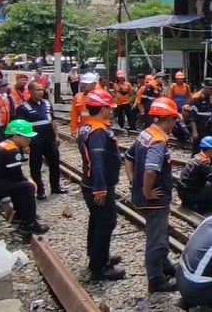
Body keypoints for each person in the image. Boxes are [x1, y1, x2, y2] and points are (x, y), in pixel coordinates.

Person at [124, 96, 180, 293]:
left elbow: (128, 158)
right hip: (154, 201)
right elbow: (150, 170)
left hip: (145, 198)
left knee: (161, 234)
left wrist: (133, 182)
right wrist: (147, 191)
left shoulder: (145, 134)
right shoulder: (157, 141)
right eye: (174, 119)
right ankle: (156, 281)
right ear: (168, 118)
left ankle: (165, 266)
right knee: (156, 240)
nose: (175, 123)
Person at [77, 89, 126, 281]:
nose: (112, 111)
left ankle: (97, 255)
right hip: (98, 184)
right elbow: (97, 159)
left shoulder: (87, 126)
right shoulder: (97, 130)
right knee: (107, 222)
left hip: (92, 182)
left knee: (97, 220)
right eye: (110, 108)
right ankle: (99, 267)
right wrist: (100, 187)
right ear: (103, 108)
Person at [0, 119, 49, 234]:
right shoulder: (11, 150)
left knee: (19, 186)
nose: (29, 140)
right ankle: (30, 224)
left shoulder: (4, 145)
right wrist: (29, 181)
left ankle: (20, 215)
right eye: (26, 137)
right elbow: (16, 176)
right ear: (15, 136)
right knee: (27, 187)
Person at [14, 81, 66, 200]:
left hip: (49, 139)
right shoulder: (23, 108)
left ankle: (55, 187)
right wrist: (24, 145)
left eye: (42, 90)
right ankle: (40, 190)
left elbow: (52, 121)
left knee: (54, 164)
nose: (41, 92)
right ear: (31, 91)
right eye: (37, 90)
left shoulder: (47, 104)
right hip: (35, 141)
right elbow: (21, 128)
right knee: (35, 167)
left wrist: (56, 136)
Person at [176, 135, 212, 214]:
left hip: (183, 190)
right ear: (210, 150)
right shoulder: (202, 163)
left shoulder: (197, 156)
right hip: (189, 193)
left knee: (209, 186)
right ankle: (198, 206)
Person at [185, 77, 212, 153]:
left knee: (209, 145)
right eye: (210, 89)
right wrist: (195, 131)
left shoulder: (211, 97)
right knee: (198, 147)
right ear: (204, 88)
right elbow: (192, 116)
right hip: (199, 126)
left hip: (208, 125)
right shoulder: (197, 97)